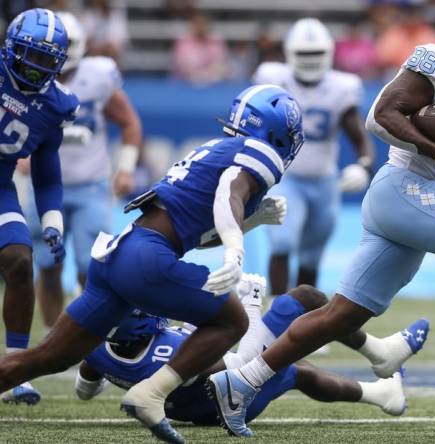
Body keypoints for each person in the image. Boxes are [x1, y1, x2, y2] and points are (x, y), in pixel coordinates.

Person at [208, 0, 435, 436]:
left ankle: (239, 382)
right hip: (404, 187)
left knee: (341, 316)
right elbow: (380, 116)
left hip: (416, 201)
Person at [0, 84, 303, 444]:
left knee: (46, 357)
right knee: (233, 320)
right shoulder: (259, 151)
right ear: (276, 130)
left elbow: (199, 232)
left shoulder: (220, 149)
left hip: (119, 254)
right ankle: (151, 394)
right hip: (147, 258)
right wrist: (236, 247)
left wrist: (251, 221)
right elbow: (229, 194)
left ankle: (149, 394)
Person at [75, 275, 429, 426]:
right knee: (303, 300)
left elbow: (85, 389)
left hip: (195, 410)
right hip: (231, 401)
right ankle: (380, 354)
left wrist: (116, 373)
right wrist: (250, 307)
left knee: (295, 371)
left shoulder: (95, 350)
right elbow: (241, 369)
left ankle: (383, 392)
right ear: (133, 324)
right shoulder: (168, 351)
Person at [25, 12, 142, 331]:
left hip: (90, 185)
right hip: (43, 184)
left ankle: (87, 334)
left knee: (89, 265)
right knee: (47, 265)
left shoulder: (98, 75)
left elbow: (130, 123)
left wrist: (126, 168)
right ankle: (52, 335)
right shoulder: (27, 76)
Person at [252, 18, 375, 296]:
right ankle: (276, 316)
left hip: (324, 182)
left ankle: (301, 323)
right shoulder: (273, 79)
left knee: (311, 257)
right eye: (305, 53)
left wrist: (364, 166)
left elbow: (359, 135)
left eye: (316, 54)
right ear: (289, 53)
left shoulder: (341, 86)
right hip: (286, 177)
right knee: (282, 243)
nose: (310, 60)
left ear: (329, 54)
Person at [0, 8, 79, 405]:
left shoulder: (54, 104)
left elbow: (48, 173)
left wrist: (52, 222)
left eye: (48, 59)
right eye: (32, 55)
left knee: (18, 259)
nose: (37, 67)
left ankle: (15, 369)